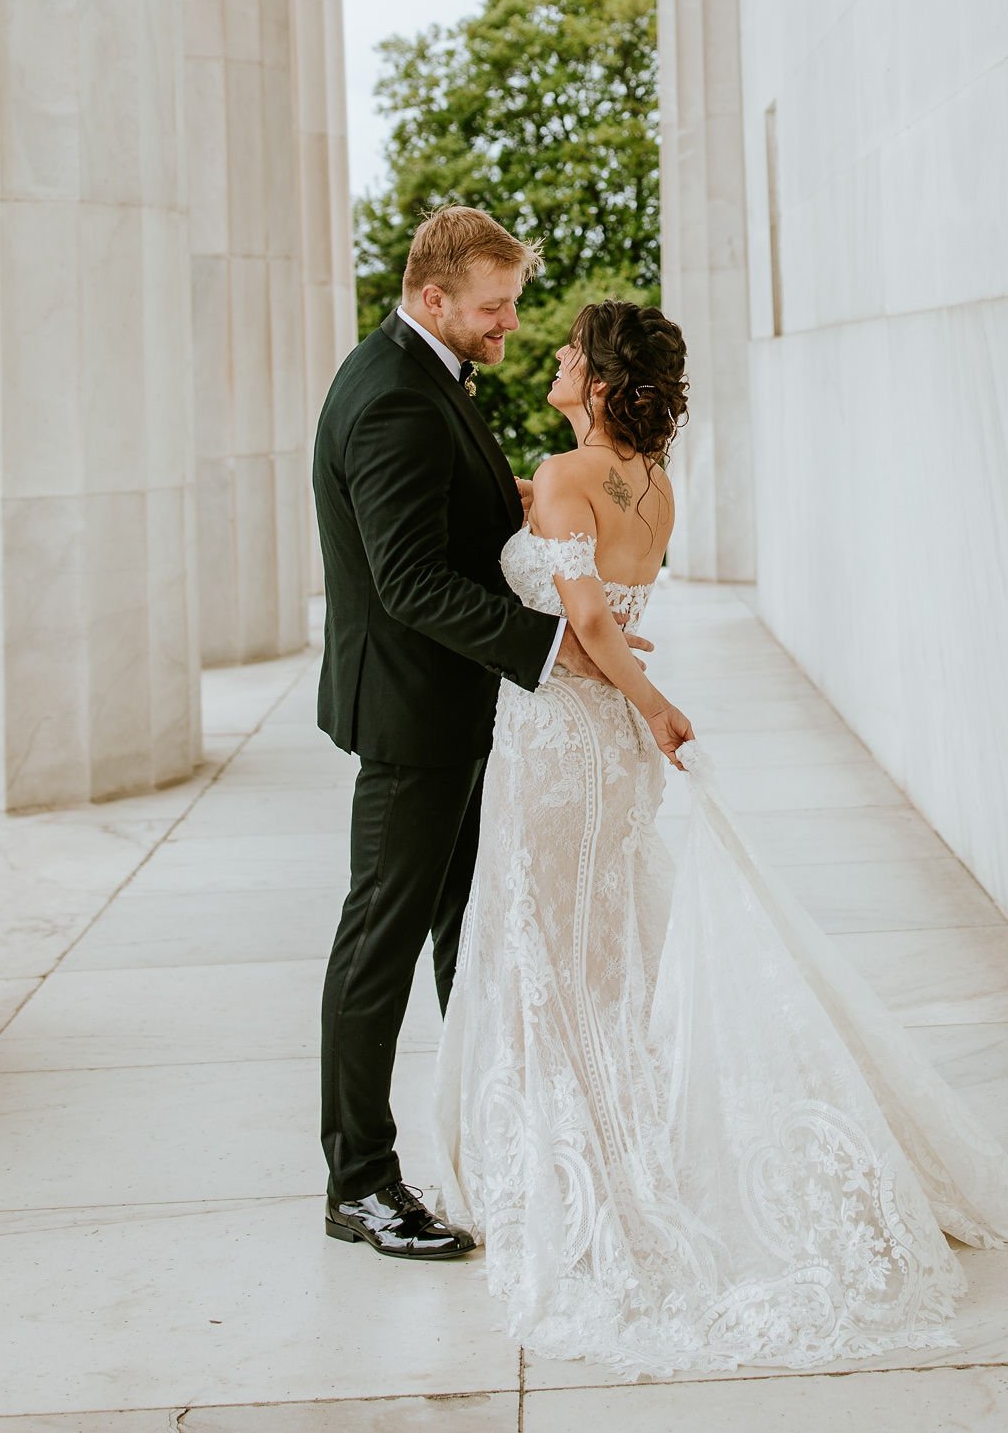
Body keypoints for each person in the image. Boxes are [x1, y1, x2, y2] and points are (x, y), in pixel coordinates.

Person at [434, 297, 1008, 1377]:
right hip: (605, 751)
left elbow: (592, 624)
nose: (558, 358)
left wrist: (650, 698)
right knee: (603, 936)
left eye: (572, 351)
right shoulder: (654, 486)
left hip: (564, 744)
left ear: (604, 384)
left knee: (551, 943)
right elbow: (612, 584)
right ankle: (618, 1132)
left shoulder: (568, 474)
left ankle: (583, 1167)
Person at [312, 207, 654, 1260]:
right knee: (384, 938)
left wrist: (518, 506)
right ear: (433, 299)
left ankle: (498, 1136)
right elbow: (406, 577)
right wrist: (566, 653)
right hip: (413, 716)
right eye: (495, 306)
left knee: (474, 928)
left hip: (464, 710)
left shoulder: (428, 377)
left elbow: (436, 523)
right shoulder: (389, 400)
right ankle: (361, 1182)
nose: (509, 323)